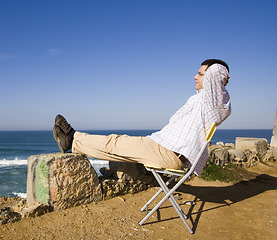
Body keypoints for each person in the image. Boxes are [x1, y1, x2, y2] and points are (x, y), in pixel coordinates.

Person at [53, 59, 231, 175]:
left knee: (114, 142)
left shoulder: (214, 103)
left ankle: (72, 138)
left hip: (169, 153)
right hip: (162, 147)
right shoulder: (202, 100)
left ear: (214, 78)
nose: (194, 76)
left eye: (200, 74)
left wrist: (221, 74)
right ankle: (74, 141)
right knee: (115, 143)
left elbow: (217, 73)